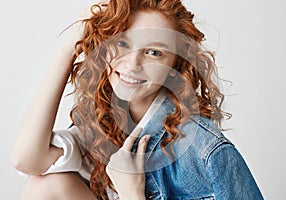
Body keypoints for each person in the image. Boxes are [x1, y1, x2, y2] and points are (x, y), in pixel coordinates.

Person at [12, 0, 264, 199]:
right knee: (45, 186)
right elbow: (27, 160)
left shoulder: (206, 150)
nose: (132, 64)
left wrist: (132, 193)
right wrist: (68, 50)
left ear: (176, 64)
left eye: (154, 52)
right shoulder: (102, 121)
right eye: (122, 43)